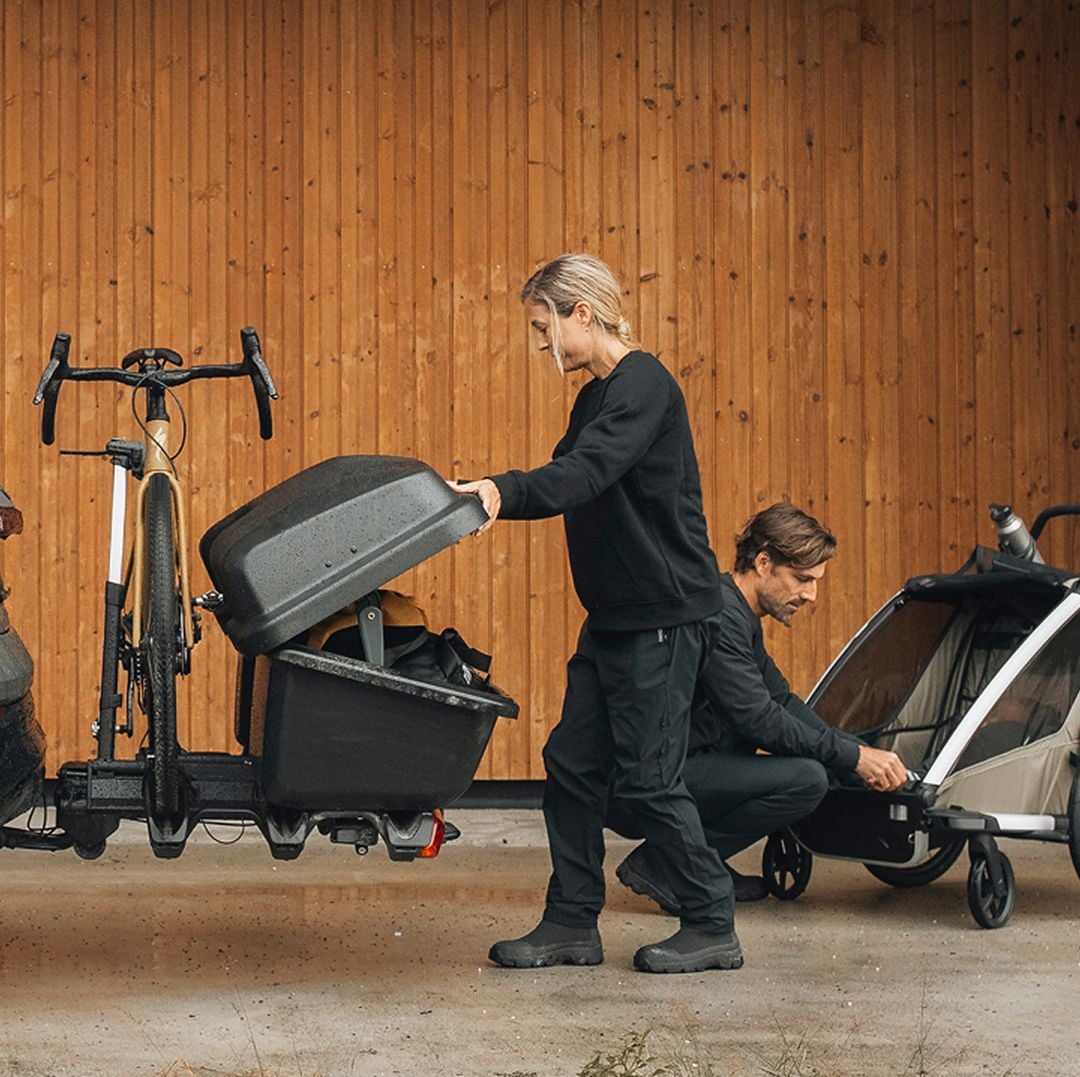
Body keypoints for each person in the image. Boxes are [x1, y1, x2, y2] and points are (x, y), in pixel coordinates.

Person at [450, 253, 741, 974]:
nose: (540, 342)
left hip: (663, 616)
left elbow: (584, 473)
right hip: (615, 616)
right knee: (572, 766)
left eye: (543, 325)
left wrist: (503, 490)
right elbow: (569, 478)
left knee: (649, 778)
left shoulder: (644, 385)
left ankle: (712, 920)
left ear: (582, 312)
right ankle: (572, 922)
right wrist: (494, 496)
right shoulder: (596, 396)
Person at [613, 502, 909, 914]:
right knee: (805, 779)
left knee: (818, 764)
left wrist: (856, 755)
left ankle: (704, 863)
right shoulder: (717, 615)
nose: (811, 595)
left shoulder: (734, 611)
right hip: (646, 782)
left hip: (680, 765)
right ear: (764, 562)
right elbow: (758, 719)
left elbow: (782, 700)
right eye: (802, 579)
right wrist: (853, 756)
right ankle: (670, 865)